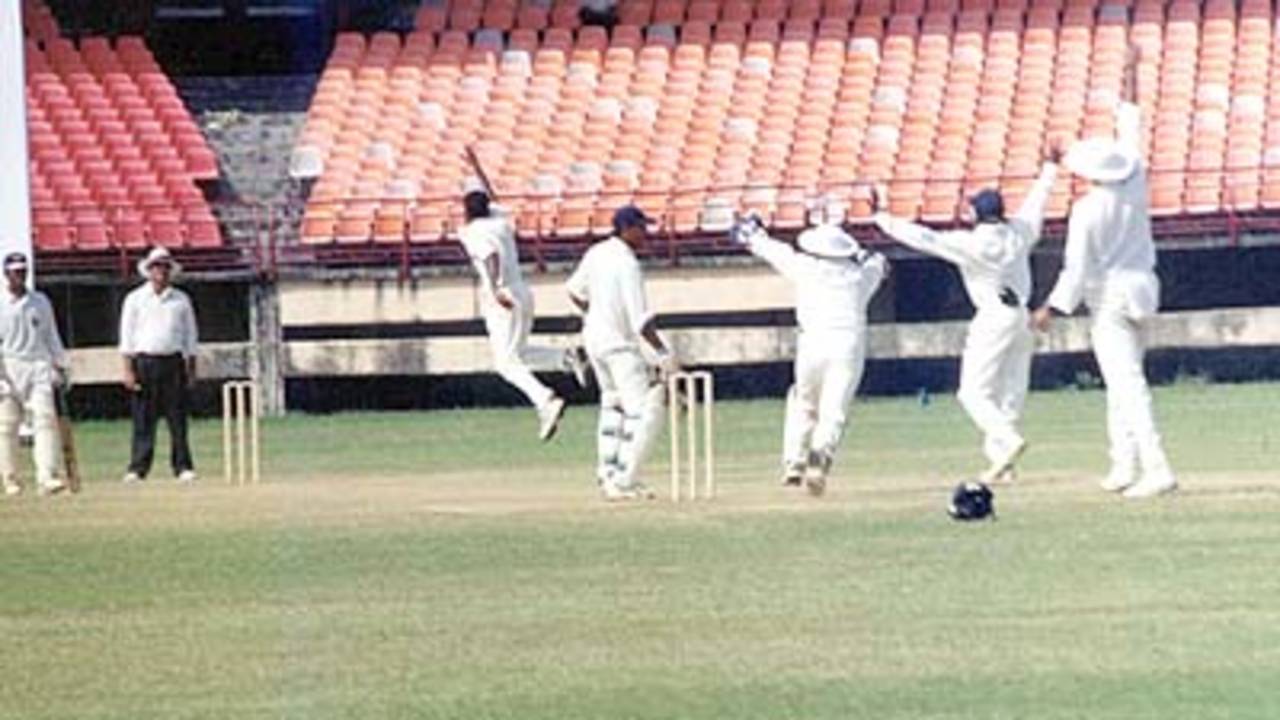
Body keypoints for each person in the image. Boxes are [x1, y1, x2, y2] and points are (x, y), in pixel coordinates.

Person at [1031, 46, 1175, 499]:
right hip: (1143, 287)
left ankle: (1156, 467)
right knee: (1121, 379)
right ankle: (1124, 464)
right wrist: (1131, 71)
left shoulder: (1088, 210)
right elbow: (1130, 121)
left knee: (1126, 383)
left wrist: (1050, 308)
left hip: (1111, 295)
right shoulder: (1134, 178)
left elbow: (1076, 269)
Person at [872, 143, 1061, 483]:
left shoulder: (971, 243)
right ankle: (1004, 465)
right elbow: (1037, 201)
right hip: (1022, 317)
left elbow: (924, 238)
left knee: (972, 392)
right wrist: (1050, 167)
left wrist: (883, 218)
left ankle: (1007, 441)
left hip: (993, 316)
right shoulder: (1021, 231)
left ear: (978, 214)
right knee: (1011, 389)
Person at [730, 211, 888, 496]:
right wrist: (863, 254)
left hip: (812, 344)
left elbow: (770, 248)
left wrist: (752, 233)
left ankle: (794, 462)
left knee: (803, 402)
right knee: (834, 411)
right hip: (848, 346)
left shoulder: (805, 266)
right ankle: (819, 460)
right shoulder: (858, 276)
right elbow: (881, 264)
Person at [566, 206, 677, 500]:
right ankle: (624, 481)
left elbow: (574, 291)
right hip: (619, 347)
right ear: (627, 228)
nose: (646, 234)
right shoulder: (627, 264)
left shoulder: (597, 252)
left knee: (613, 406)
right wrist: (664, 354)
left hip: (595, 341)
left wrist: (598, 315)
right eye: (642, 228)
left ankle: (608, 473)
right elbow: (641, 320)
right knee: (646, 413)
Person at [459, 190, 586, 442]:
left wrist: (494, 289)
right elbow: (495, 205)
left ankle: (545, 400)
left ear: (467, 212)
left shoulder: (470, 233)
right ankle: (566, 357)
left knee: (505, 364)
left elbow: (490, 257)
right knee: (518, 352)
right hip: (522, 291)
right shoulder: (501, 223)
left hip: (502, 296)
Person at [119, 247, 199, 484]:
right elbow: (126, 337)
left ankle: (183, 466)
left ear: (170, 271)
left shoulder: (181, 300)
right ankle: (138, 468)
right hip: (144, 362)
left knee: (177, 419)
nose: (160, 272)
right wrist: (127, 369)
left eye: (164, 267)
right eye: (156, 267)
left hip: (173, 362)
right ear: (149, 270)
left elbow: (190, 337)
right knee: (143, 419)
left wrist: (191, 369)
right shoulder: (134, 299)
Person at [0, 252, 69, 496]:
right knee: (7, 426)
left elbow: (51, 336)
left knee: (45, 420)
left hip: (38, 364)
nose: (20, 275)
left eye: (23, 270)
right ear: (6, 274)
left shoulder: (40, 301)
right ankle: (10, 480)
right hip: (8, 366)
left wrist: (61, 365)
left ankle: (47, 477)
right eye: (15, 271)